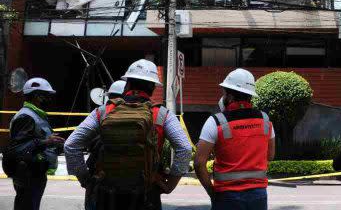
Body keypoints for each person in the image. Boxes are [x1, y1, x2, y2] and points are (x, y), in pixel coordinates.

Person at [64, 59, 192, 210]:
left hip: (107, 194)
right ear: (152, 88)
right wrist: (170, 183)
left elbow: (71, 145)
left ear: (127, 84)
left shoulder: (104, 111)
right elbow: (184, 148)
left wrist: (86, 180)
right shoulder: (162, 115)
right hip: (146, 194)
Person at [194, 68, 275, 210]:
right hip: (258, 196)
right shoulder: (265, 120)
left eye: (224, 92)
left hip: (226, 197)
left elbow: (199, 163)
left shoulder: (216, 121)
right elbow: (270, 155)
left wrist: (212, 193)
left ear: (230, 97)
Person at [3, 78, 65, 210]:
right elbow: (18, 148)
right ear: (37, 96)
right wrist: (47, 142)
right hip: (28, 174)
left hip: (34, 172)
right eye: (46, 96)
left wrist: (53, 144)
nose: (49, 99)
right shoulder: (26, 117)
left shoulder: (35, 115)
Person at [83, 80, 126, 210]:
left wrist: (83, 178)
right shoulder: (139, 115)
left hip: (99, 178)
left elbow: (72, 145)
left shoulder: (99, 113)